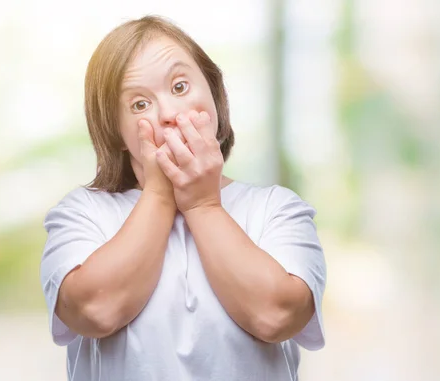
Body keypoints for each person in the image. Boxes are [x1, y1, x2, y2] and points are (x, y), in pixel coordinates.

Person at [40, 15, 326, 381]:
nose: (169, 115)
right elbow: (96, 310)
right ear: (115, 132)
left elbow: (277, 315)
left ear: (216, 95)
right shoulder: (82, 213)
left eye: (179, 87)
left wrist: (202, 205)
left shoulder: (276, 209)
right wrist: (161, 194)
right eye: (140, 105)